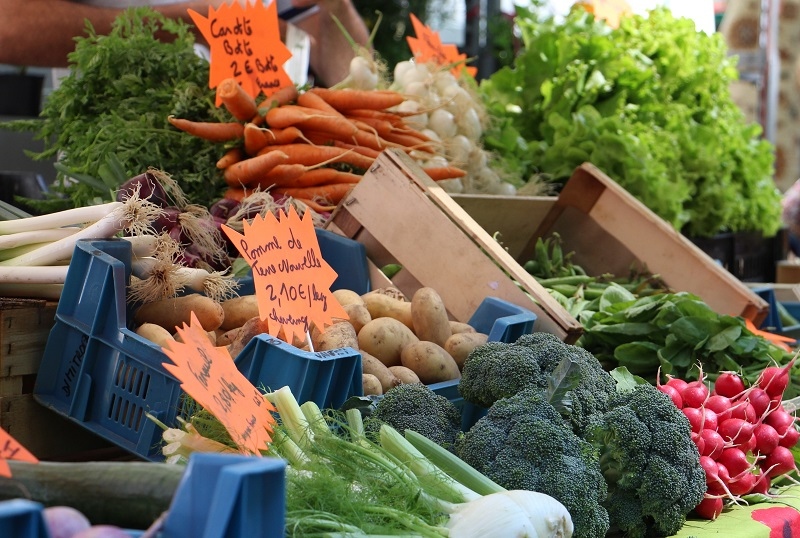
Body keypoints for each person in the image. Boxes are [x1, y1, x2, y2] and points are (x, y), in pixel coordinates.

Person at [0, 0, 370, 87]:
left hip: (256, 190)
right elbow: (9, 25)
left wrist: (336, 3)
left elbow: (349, 75)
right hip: (122, 190)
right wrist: (192, 23)